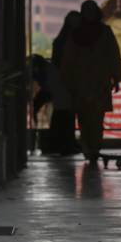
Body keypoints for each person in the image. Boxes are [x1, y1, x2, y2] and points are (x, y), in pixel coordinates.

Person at [60, 0, 121, 164]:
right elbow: (113, 56)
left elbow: (67, 60)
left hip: (84, 82)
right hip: (96, 82)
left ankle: (90, 148)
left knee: (88, 118)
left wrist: (67, 81)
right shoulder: (104, 32)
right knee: (92, 118)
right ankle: (92, 148)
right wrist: (116, 77)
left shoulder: (75, 34)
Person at [50, 11, 81, 155]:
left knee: (64, 113)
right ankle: (65, 143)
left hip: (64, 81)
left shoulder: (61, 40)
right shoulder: (71, 41)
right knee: (66, 114)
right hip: (65, 81)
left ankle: (63, 143)